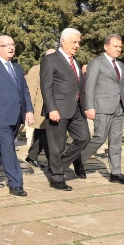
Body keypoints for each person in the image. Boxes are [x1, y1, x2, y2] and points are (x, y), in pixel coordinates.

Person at [75, 34, 124, 185]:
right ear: (106, 46)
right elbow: (89, 86)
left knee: (116, 142)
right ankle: (79, 159)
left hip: (119, 108)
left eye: (120, 47)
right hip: (102, 107)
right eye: (115, 46)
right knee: (100, 138)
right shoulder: (96, 63)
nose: (118, 49)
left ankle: (116, 173)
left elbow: (121, 86)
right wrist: (90, 106)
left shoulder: (120, 65)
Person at [0, 35, 34, 196]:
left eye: (12, 44)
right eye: (6, 45)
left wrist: (28, 110)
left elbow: (24, 91)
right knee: (8, 148)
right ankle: (16, 183)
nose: (11, 47)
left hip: (16, 116)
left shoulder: (16, 67)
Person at [40, 28, 90, 191]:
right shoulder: (50, 60)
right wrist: (51, 109)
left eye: (79, 43)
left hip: (77, 109)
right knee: (57, 145)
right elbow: (46, 87)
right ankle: (57, 178)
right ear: (63, 41)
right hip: (58, 109)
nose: (77, 46)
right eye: (74, 42)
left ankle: (58, 165)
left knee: (84, 138)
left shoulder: (75, 61)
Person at [25, 49, 56, 168]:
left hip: (51, 107)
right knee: (47, 134)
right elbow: (31, 91)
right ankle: (52, 162)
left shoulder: (55, 68)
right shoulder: (36, 69)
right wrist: (30, 110)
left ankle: (32, 156)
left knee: (41, 133)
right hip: (39, 109)